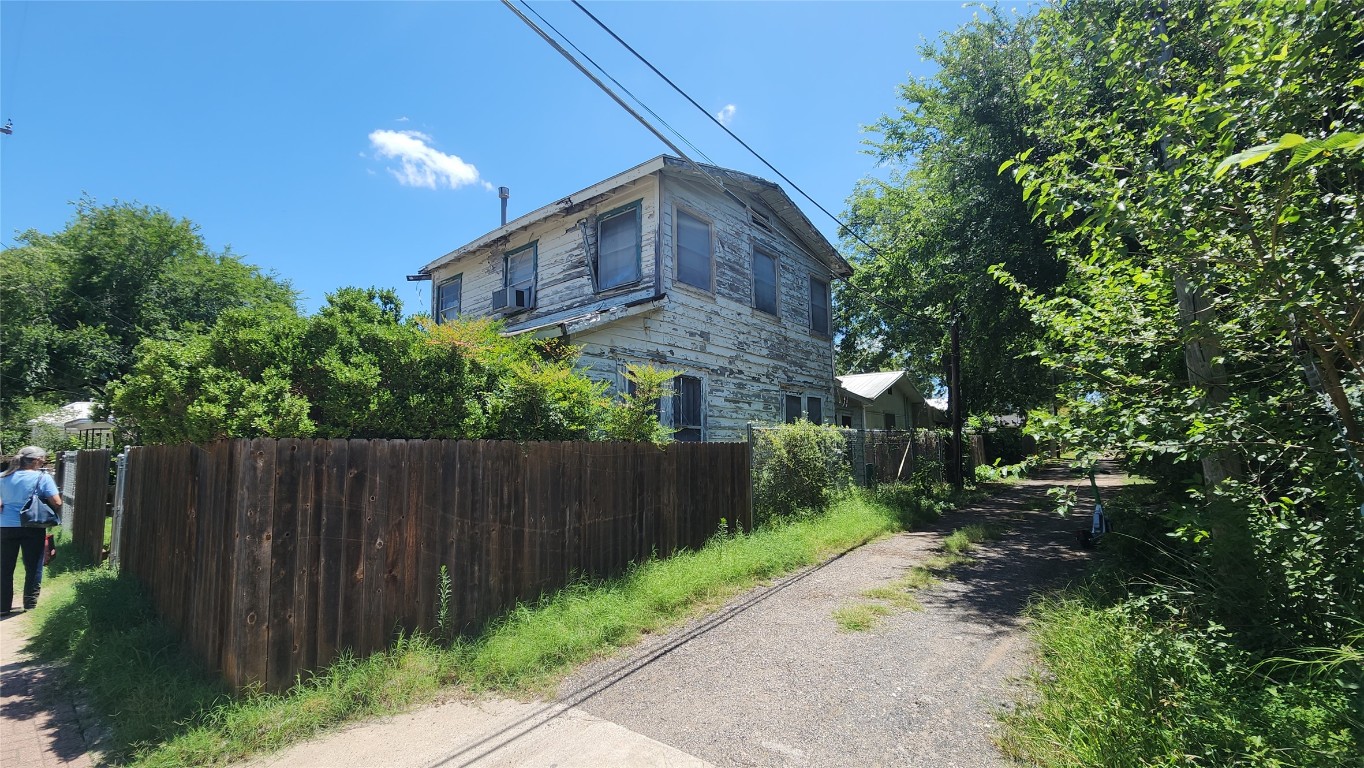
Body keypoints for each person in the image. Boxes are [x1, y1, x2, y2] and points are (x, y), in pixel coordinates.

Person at [0, 446, 62, 615]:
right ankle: (30, 604)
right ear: (36, 461)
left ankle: (3, 606)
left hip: (5, 527)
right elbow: (57, 502)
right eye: (43, 460)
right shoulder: (43, 478)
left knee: (4, 567)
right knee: (33, 566)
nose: (44, 462)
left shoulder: (2, 478)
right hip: (33, 526)